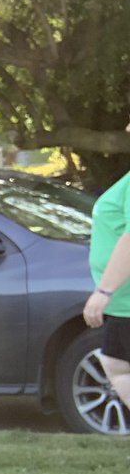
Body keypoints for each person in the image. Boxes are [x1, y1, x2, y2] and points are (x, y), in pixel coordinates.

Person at [83, 118, 130, 407]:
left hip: (126, 300)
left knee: (118, 365)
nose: (126, 128)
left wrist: (104, 292)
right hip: (124, 302)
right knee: (115, 363)